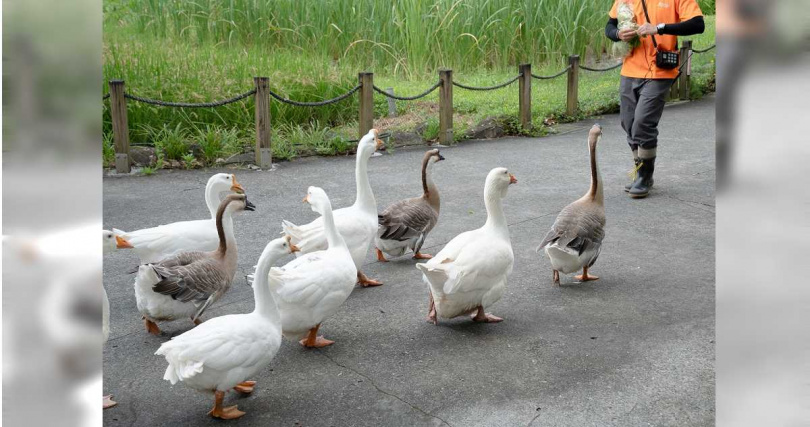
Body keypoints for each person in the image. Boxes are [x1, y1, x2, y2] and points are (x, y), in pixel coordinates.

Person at [605, 0, 705, 198]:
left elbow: (698, 24)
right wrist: (617, 34)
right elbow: (610, 25)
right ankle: (640, 169)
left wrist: (658, 29)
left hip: (660, 70)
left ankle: (644, 175)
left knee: (643, 123)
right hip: (630, 69)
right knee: (629, 123)